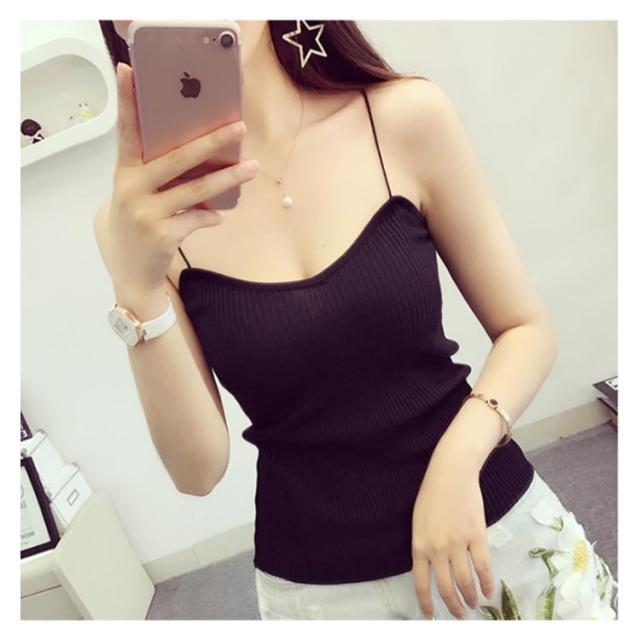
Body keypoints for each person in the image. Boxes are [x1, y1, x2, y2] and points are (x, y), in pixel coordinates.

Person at [94, 20, 618, 620]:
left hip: (490, 529)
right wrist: (137, 289)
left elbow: (526, 330)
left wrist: (455, 463)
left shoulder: (402, 117)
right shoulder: (135, 225)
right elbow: (198, 471)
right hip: (321, 594)